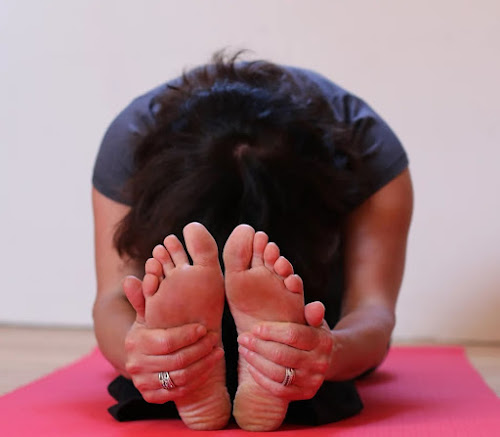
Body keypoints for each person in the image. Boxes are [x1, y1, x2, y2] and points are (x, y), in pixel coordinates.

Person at [92, 51, 413, 431]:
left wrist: (328, 352)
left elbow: (372, 309)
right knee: (181, 348)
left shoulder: (368, 147)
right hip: (185, 304)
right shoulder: (129, 143)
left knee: (290, 349)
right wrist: (144, 356)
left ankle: (264, 366)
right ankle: (193, 368)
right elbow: (114, 298)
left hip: (308, 308)